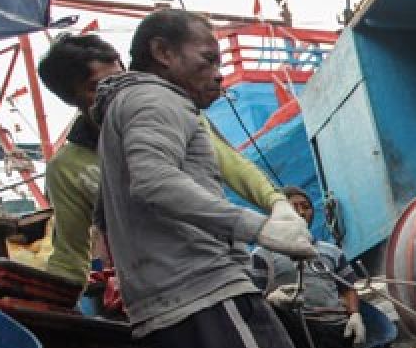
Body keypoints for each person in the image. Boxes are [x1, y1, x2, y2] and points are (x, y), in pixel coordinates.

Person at [91, 9, 331, 348]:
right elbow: (153, 182)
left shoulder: (124, 109)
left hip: (165, 302)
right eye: (207, 58)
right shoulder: (156, 99)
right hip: (202, 288)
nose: (218, 72)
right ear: (163, 53)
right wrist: (257, 228)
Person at [36, 33, 287, 289]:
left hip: (221, 270)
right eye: (98, 86)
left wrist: (278, 204)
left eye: (120, 76)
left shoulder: (173, 112)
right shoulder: (67, 169)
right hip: (157, 294)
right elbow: (71, 254)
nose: (116, 90)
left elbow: (234, 166)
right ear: (71, 98)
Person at [252, 186, 387, 348]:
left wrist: (355, 315)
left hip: (337, 329)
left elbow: (347, 287)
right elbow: (254, 299)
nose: (300, 212)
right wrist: (272, 300)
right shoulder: (264, 254)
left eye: (305, 206)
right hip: (299, 333)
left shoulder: (330, 251)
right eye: (293, 206)